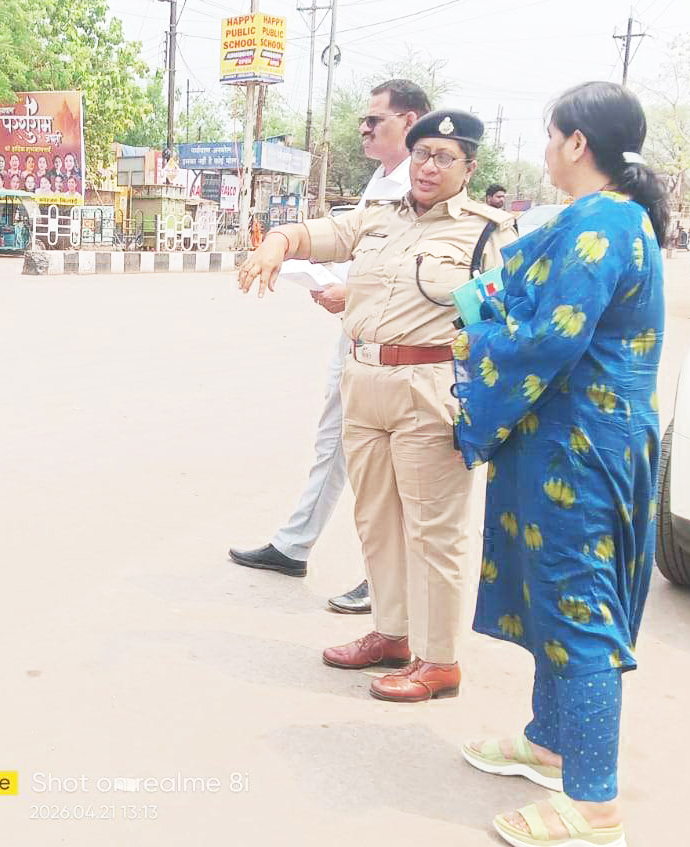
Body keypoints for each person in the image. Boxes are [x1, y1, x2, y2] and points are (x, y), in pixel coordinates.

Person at [237, 108, 516, 702]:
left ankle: (438, 660)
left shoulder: (487, 234)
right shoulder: (377, 217)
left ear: (469, 168)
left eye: (444, 158)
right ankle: (391, 635)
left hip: (429, 389)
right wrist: (274, 245)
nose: (429, 167)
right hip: (364, 383)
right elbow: (313, 234)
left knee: (433, 532)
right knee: (376, 519)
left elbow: (507, 322)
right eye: (421, 154)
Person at [451, 81, 666, 847]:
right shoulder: (603, 217)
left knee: (579, 610)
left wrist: (478, 335)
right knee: (553, 597)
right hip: (565, 439)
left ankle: (595, 804)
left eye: (550, 135)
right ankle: (550, 744)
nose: (545, 149)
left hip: (581, 449)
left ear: (578, 142)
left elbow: (550, 338)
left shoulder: (603, 223)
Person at [228, 79, 433, 614]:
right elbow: (348, 243)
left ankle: (387, 578)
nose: (364, 128)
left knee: (392, 463)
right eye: (364, 119)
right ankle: (295, 545)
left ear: (410, 122)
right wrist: (286, 248)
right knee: (335, 442)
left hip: (403, 349)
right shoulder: (382, 180)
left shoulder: (424, 187)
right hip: (359, 337)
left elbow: (427, 275)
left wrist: (355, 291)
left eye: (375, 119)